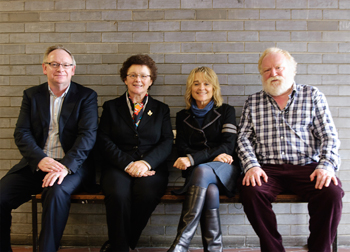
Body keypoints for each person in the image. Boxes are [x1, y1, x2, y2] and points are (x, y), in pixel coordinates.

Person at [237, 47, 344, 252]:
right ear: (261, 74)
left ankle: (319, 249)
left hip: (308, 168)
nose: (273, 74)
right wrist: (251, 166)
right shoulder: (253, 102)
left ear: (292, 70)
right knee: (250, 191)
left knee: (331, 192)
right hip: (268, 170)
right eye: (267, 70)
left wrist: (326, 166)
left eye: (278, 68)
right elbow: (243, 138)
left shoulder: (312, 96)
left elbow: (329, 136)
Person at [0, 45, 98, 252]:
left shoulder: (86, 96)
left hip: (71, 167)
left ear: (73, 69)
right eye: (54, 64)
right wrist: (39, 159)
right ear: (45, 68)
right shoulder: (32, 95)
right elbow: (22, 133)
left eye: (65, 65)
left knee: (55, 194)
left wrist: (65, 167)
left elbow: (87, 136)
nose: (60, 68)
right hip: (37, 164)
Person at [97, 54, 173, 252]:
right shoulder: (111, 107)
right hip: (118, 166)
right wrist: (128, 164)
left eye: (143, 76)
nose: (138, 80)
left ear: (151, 80)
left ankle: (122, 244)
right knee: (118, 195)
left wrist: (145, 163)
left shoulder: (161, 109)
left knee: (146, 194)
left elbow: (167, 142)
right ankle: (121, 248)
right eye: (133, 75)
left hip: (151, 167)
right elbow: (103, 140)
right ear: (125, 78)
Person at [168, 66, 241, 252]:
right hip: (198, 175)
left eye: (207, 83)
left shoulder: (226, 111)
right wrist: (211, 155)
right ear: (190, 88)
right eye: (196, 83)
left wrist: (194, 158)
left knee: (202, 170)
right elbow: (182, 148)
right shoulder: (182, 116)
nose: (201, 88)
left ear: (214, 87)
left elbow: (228, 146)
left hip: (225, 169)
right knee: (211, 192)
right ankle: (214, 249)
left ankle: (180, 244)